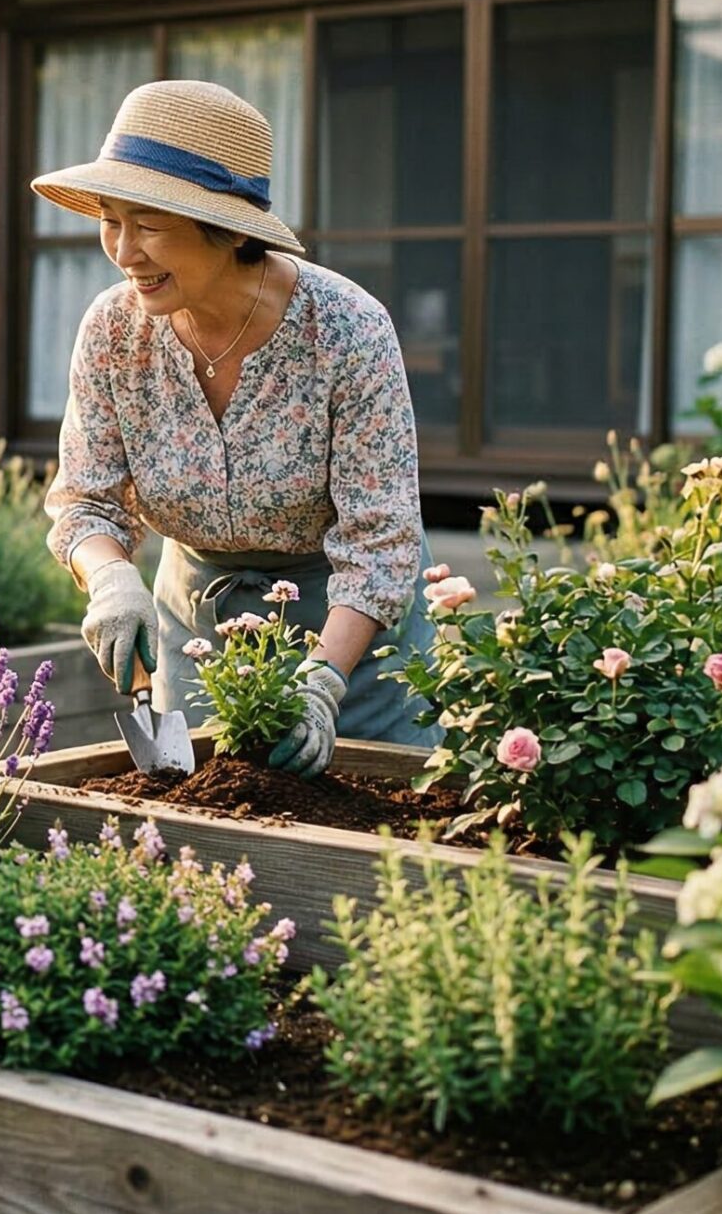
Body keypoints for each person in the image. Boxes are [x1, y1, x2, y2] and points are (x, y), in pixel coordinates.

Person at [32, 80, 440, 777]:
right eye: (110, 219)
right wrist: (111, 580)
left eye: (149, 224)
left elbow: (380, 544)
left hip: (355, 649)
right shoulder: (112, 329)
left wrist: (325, 681)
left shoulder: (347, 330)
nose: (123, 251)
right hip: (198, 635)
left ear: (225, 228)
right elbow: (87, 500)